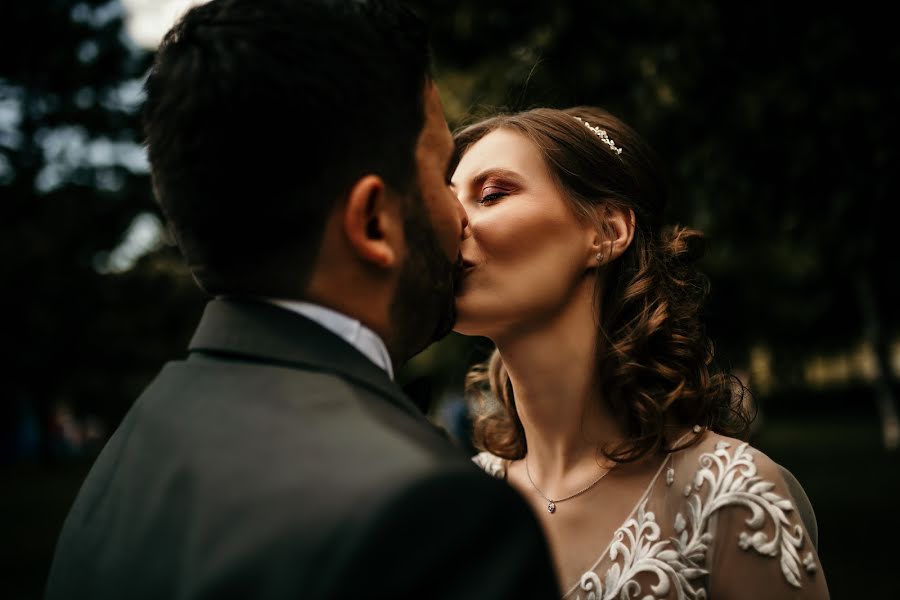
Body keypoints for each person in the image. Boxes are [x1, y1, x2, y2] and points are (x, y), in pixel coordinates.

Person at [44, 1, 560, 598]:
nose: (461, 217)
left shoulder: (133, 449)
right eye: (443, 174)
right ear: (372, 223)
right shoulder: (436, 517)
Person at [451, 106, 830, 599]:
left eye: (491, 195)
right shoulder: (463, 503)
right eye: (449, 203)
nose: (451, 225)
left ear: (607, 234)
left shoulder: (728, 496)